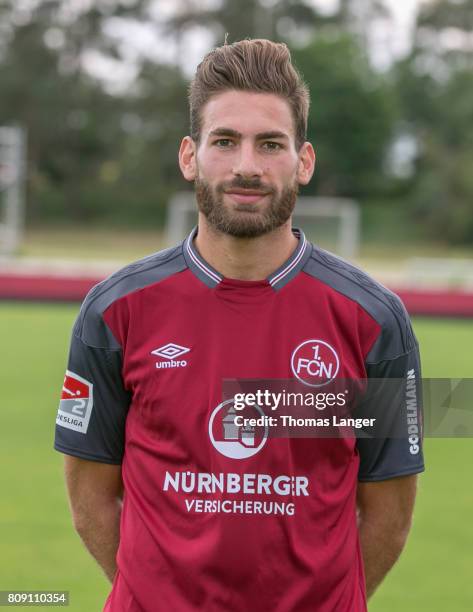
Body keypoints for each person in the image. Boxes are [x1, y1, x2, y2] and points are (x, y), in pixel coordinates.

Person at [54, 39, 424, 612]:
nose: (247, 166)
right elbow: (89, 499)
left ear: (303, 160)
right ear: (189, 156)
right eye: (224, 141)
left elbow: (390, 512)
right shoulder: (114, 311)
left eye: (270, 144)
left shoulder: (374, 320)